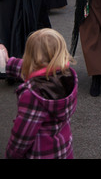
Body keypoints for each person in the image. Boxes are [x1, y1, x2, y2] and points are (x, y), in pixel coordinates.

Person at [1, 28, 78, 159]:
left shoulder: (33, 95)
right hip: (62, 149)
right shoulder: (67, 76)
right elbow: (34, 69)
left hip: (40, 154)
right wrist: (8, 63)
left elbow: (22, 137)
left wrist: (10, 155)